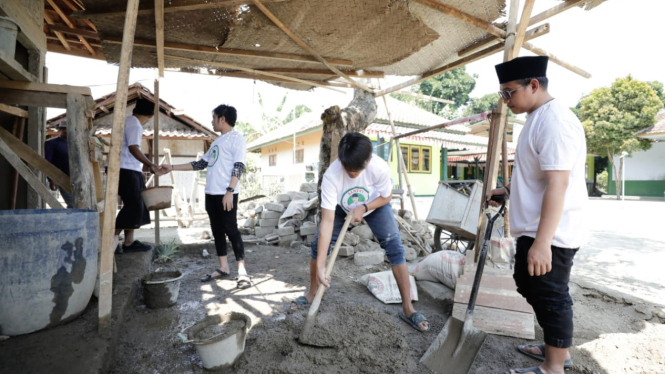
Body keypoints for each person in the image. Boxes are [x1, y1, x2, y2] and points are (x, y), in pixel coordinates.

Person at [487, 56, 588, 374]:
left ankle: (553, 366)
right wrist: (506, 191)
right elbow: (536, 174)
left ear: (534, 85)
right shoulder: (537, 117)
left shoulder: (555, 121)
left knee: (550, 293)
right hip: (536, 228)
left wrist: (542, 243)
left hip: (552, 232)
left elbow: (558, 183)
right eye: (502, 94)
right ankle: (557, 346)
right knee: (529, 284)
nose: (505, 101)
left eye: (508, 93)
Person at [291, 132, 429, 332]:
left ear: (368, 160)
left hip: (375, 205)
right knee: (317, 245)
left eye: (356, 169)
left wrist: (364, 208)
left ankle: (408, 308)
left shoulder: (378, 167)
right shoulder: (332, 176)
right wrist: (322, 265)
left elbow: (386, 196)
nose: (352, 173)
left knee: (395, 248)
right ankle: (312, 293)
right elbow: (328, 221)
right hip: (340, 208)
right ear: (341, 160)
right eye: (348, 168)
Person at [160, 104, 251, 289]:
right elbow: (200, 164)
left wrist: (230, 191)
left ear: (222, 119)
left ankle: (242, 271)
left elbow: (239, 166)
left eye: (214, 117)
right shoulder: (217, 141)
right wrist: (172, 167)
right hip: (211, 194)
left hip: (226, 193)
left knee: (231, 230)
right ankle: (223, 267)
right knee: (217, 230)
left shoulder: (237, 138)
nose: (212, 121)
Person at [112, 98, 159, 254]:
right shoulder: (135, 125)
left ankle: (129, 242)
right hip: (126, 169)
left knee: (135, 204)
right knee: (134, 205)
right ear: (150, 116)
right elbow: (133, 148)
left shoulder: (129, 121)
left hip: (128, 169)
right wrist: (150, 164)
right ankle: (110, 240)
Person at [45, 120, 74, 208]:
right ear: (59, 130)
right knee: (73, 203)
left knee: (80, 203)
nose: (66, 131)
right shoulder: (51, 143)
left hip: (77, 179)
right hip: (62, 178)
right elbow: (47, 162)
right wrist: (51, 179)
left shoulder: (75, 144)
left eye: (68, 129)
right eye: (63, 129)